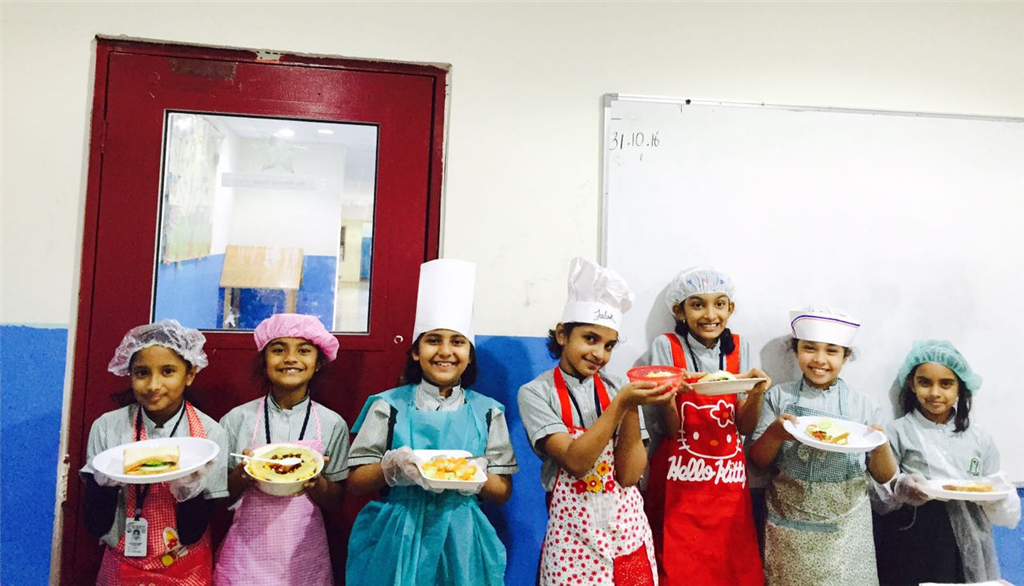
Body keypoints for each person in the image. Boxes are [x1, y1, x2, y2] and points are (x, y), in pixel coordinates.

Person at [346, 259, 518, 586]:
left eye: (457, 342)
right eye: (433, 340)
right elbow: (355, 482)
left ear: (470, 353)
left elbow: (502, 491)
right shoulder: (387, 406)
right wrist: (392, 468)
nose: (445, 351)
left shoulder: (488, 412)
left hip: (463, 537)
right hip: (398, 532)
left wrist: (475, 475)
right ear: (415, 351)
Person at [518, 257, 676, 585]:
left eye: (609, 345)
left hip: (628, 537)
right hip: (572, 544)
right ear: (563, 334)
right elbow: (576, 462)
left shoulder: (619, 388)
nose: (600, 354)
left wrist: (629, 408)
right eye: (590, 339)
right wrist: (621, 405)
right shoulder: (536, 393)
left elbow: (629, 475)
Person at [749, 306, 898, 586]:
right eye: (809, 348)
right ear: (796, 350)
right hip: (790, 523)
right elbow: (758, 462)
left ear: (845, 356)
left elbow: (885, 476)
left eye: (832, 351)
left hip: (847, 529)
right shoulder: (778, 397)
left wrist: (881, 445)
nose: (819, 359)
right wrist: (776, 433)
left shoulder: (863, 405)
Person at [642, 267, 769, 586]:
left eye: (719, 304)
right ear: (679, 310)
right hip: (679, 480)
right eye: (697, 304)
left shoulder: (740, 347)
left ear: (730, 308)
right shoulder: (667, 346)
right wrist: (672, 393)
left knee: (732, 569)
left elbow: (744, 426)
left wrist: (757, 393)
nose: (710, 315)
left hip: (728, 482)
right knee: (678, 569)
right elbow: (670, 430)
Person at [80, 320, 229, 586]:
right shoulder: (107, 428)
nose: (153, 385)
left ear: (190, 374)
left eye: (168, 371)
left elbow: (193, 530)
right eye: (142, 373)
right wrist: (102, 484)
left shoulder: (210, 435)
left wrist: (190, 488)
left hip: (186, 562)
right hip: (122, 562)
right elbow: (95, 524)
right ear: (129, 374)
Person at [215, 313, 349, 586]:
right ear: (264, 362)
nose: (290, 358)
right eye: (278, 350)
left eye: (304, 351)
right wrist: (243, 475)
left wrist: (317, 483)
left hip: (304, 553)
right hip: (247, 555)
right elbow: (218, 498)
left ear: (318, 363)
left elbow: (336, 501)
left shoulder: (332, 423)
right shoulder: (236, 420)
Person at [872, 340, 1021, 585]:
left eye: (946, 384)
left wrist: (1000, 498)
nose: (935, 393)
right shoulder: (897, 432)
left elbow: (995, 491)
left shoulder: (979, 439)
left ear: (960, 387)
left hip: (970, 539)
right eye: (925, 382)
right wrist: (902, 489)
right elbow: (881, 497)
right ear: (911, 384)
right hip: (914, 538)